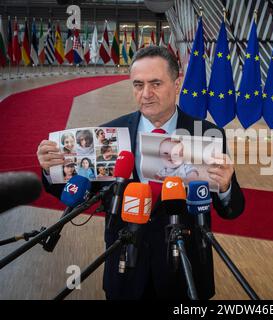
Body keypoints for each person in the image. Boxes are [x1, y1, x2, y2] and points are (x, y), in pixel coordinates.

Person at [36, 46, 245, 300]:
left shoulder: (208, 134)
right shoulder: (109, 134)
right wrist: (50, 170)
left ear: (177, 83)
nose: (146, 94)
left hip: (185, 271)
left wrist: (225, 188)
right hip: (126, 266)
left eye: (156, 83)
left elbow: (231, 209)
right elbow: (77, 192)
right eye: (138, 85)